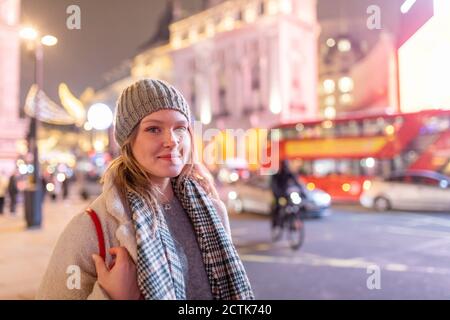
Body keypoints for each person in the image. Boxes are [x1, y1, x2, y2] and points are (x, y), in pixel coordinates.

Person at [36, 79, 254, 300]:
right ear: (128, 141)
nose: (172, 140)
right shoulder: (91, 227)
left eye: (180, 127)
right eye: (153, 129)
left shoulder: (212, 210)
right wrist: (112, 297)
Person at [270, 159, 307, 226]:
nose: (285, 168)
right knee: (278, 206)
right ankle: (276, 221)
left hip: (287, 194)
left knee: (296, 205)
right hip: (279, 194)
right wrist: (277, 194)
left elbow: (297, 182)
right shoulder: (276, 175)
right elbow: (274, 185)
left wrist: (303, 192)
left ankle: (295, 221)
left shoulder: (288, 173)